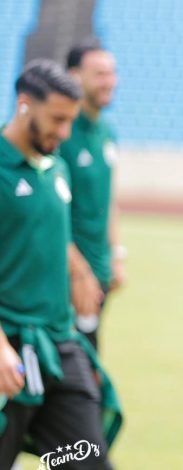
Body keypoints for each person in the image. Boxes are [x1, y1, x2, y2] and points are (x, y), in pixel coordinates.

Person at [0, 59, 121, 469]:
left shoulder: (56, 168)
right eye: (56, 119)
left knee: (86, 461)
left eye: (70, 120)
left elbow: (48, 231)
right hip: (10, 349)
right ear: (24, 104)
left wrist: (79, 269)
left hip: (58, 347)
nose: (65, 132)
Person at [59, 37, 125, 352]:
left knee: (89, 357)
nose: (109, 81)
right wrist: (78, 270)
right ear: (74, 77)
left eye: (111, 73)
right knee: (72, 365)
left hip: (98, 272)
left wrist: (117, 255)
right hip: (66, 274)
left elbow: (108, 198)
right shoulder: (60, 133)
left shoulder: (107, 133)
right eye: (99, 74)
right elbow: (51, 211)